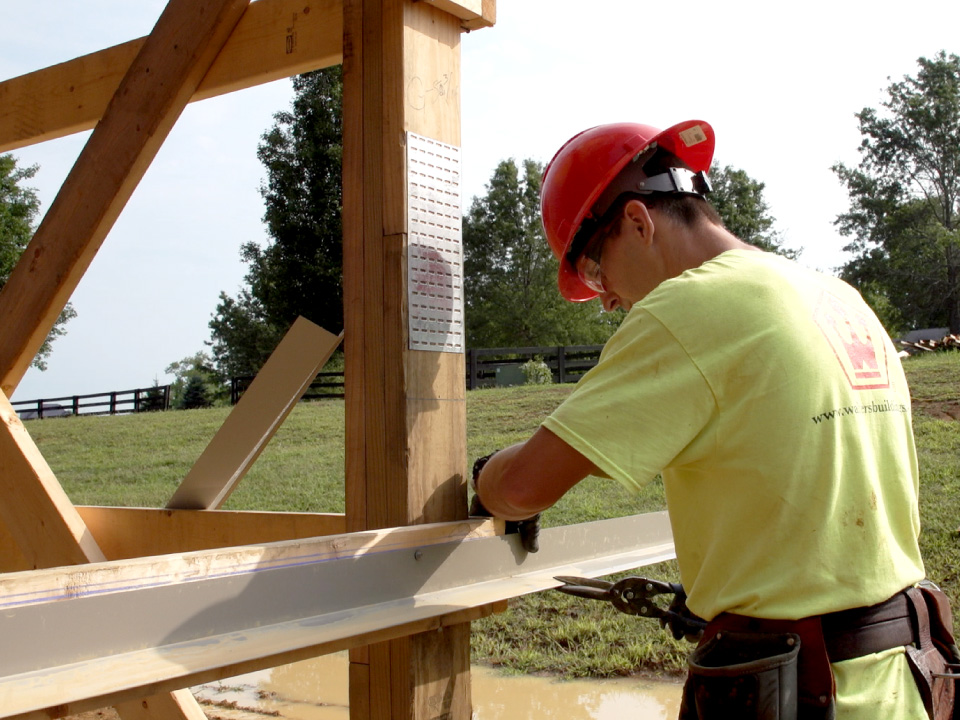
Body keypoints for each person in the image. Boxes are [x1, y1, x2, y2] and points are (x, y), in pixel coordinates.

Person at [470, 119, 957, 719]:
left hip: (803, 693)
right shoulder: (835, 294)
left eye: (595, 269)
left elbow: (522, 489)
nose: (606, 298)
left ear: (636, 222)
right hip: (902, 680)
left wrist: (483, 477)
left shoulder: (691, 308)